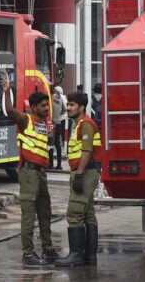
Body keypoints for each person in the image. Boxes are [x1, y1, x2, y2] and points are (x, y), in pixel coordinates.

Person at [1, 77, 58, 266]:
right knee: (29, 213)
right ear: (33, 108)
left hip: (41, 173)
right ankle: (28, 253)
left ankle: (48, 249)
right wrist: (7, 91)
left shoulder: (44, 123)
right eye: (43, 106)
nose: (46, 109)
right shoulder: (26, 120)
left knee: (45, 211)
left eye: (47, 105)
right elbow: (9, 111)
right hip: (29, 173)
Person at [54, 92, 102, 266]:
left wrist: (79, 174)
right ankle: (89, 256)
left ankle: (75, 255)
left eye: (72, 105)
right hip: (86, 171)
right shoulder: (79, 124)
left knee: (74, 213)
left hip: (86, 172)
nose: (68, 108)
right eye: (69, 105)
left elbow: (87, 151)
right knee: (88, 214)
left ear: (81, 107)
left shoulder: (86, 124)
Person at [49, 86, 66, 170]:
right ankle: (59, 164)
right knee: (57, 144)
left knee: (50, 144)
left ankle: (50, 164)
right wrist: (58, 115)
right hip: (58, 123)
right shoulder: (60, 99)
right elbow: (64, 109)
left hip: (51, 123)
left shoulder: (50, 99)